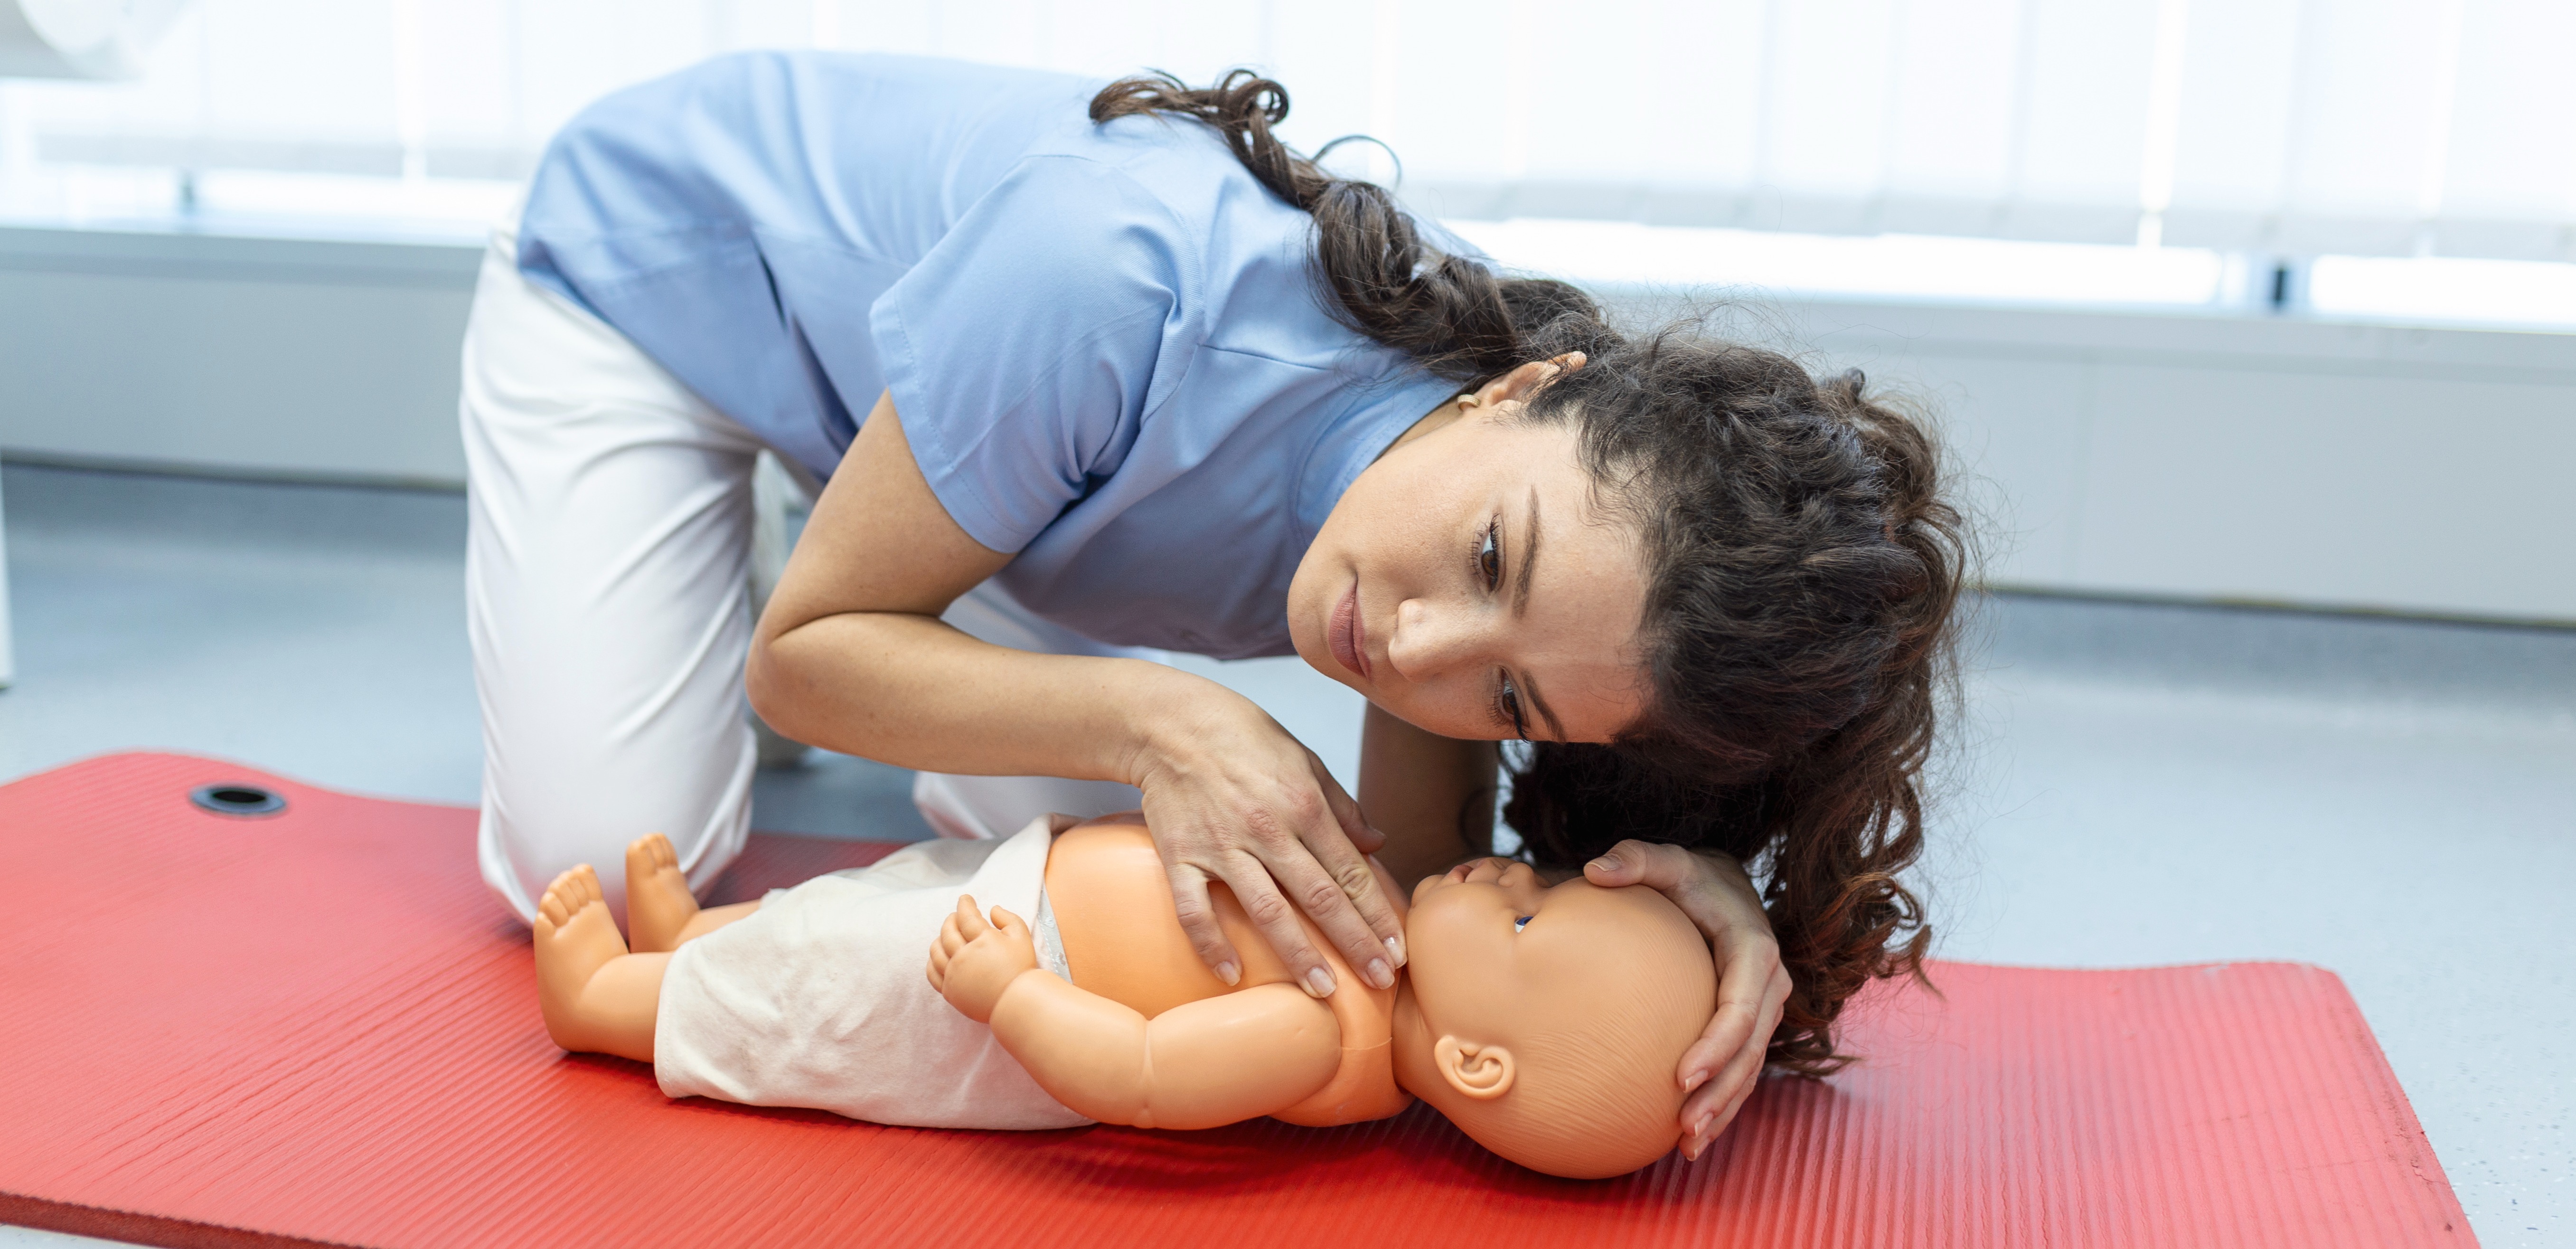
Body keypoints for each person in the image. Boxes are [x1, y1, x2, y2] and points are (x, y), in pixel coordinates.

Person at [462, 51, 1966, 1160]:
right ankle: (855, 513)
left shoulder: (1504, 546)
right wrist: (1163, 712)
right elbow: (799, 666)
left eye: (1511, 702)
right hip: (652, 282)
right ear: (1513, 391)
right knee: (583, 856)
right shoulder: (1116, 279)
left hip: (1026, 478)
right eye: (1493, 557)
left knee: (1138, 893)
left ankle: (905, 512)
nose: (1418, 650)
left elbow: (1422, 897)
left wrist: (1687, 905)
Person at [530, 819, 1717, 1180]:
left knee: (820, 987)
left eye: (1524, 917)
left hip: (1011, 970)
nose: (1514, 873)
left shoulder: (1318, 1031)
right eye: (1546, 881)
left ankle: (607, 1000)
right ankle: (694, 938)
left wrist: (1015, 993)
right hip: (1025, 880)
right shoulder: (1389, 949)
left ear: (1473, 1062)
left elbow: (1142, 1074)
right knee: (842, 906)